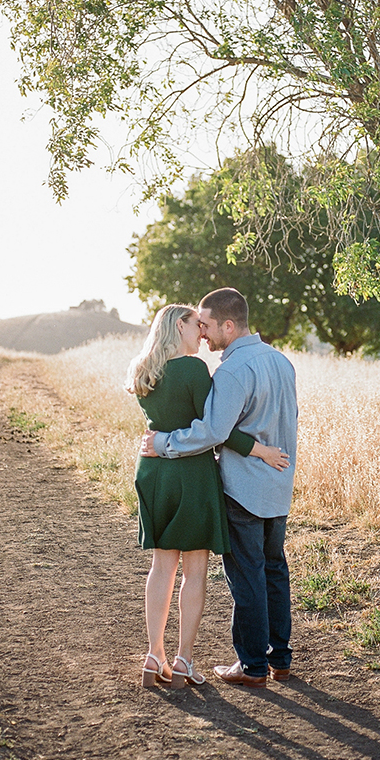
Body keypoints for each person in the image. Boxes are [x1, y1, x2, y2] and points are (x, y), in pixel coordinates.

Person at [141, 287, 298, 687]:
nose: (205, 335)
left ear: (229, 325)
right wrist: (267, 452)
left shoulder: (230, 371)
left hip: (243, 487)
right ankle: (279, 658)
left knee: (247, 576)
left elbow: (214, 430)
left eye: (208, 326)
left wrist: (163, 443)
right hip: (278, 485)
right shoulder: (281, 362)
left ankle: (252, 666)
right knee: (274, 571)